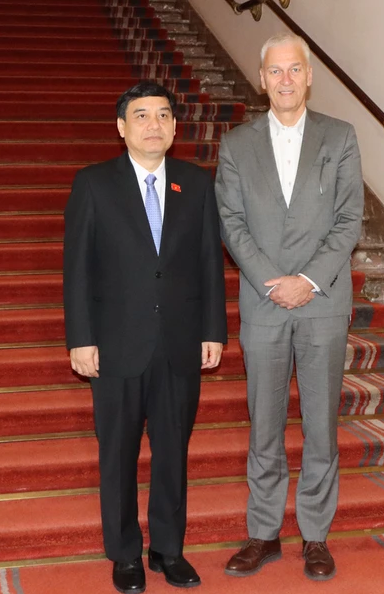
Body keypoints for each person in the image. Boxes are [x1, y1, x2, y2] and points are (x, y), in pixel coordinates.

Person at [63, 81, 228, 593]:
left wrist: (213, 330)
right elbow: (78, 270)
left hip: (179, 342)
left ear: (176, 127)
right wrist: (81, 338)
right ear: (121, 127)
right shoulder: (93, 184)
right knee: (118, 452)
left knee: (173, 450)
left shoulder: (196, 183)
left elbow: (208, 263)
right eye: (141, 116)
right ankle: (125, 554)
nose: (153, 125)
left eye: (162, 115)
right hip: (115, 345)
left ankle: (168, 549)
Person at [214, 33, 364, 582]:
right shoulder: (236, 145)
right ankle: (263, 534)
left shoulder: (340, 137)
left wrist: (306, 280)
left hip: (322, 302)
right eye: (274, 71)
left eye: (293, 70)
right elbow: (231, 223)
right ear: (261, 80)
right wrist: (270, 281)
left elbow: (349, 220)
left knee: (321, 425)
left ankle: (316, 536)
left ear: (308, 76)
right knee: (265, 425)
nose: (284, 80)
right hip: (262, 302)